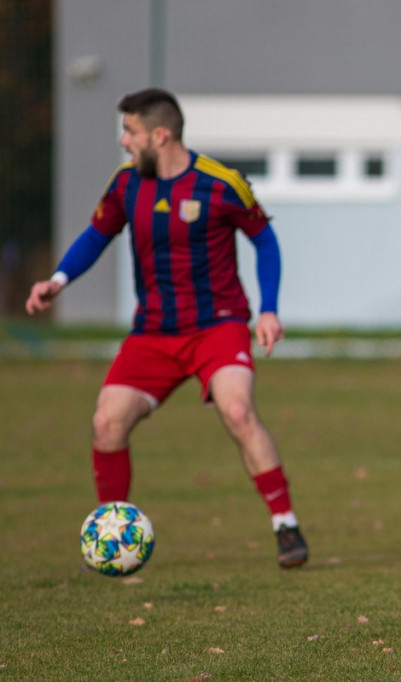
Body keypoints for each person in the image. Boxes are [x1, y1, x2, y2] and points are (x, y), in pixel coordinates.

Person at [25, 88, 308, 569]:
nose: (123, 141)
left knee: (237, 411)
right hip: (153, 333)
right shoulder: (125, 185)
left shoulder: (221, 184)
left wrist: (269, 308)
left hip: (217, 327)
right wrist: (58, 280)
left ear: (160, 134)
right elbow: (97, 234)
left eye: (130, 131)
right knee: (106, 423)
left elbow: (265, 240)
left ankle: (285, 524)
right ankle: (112, 529)